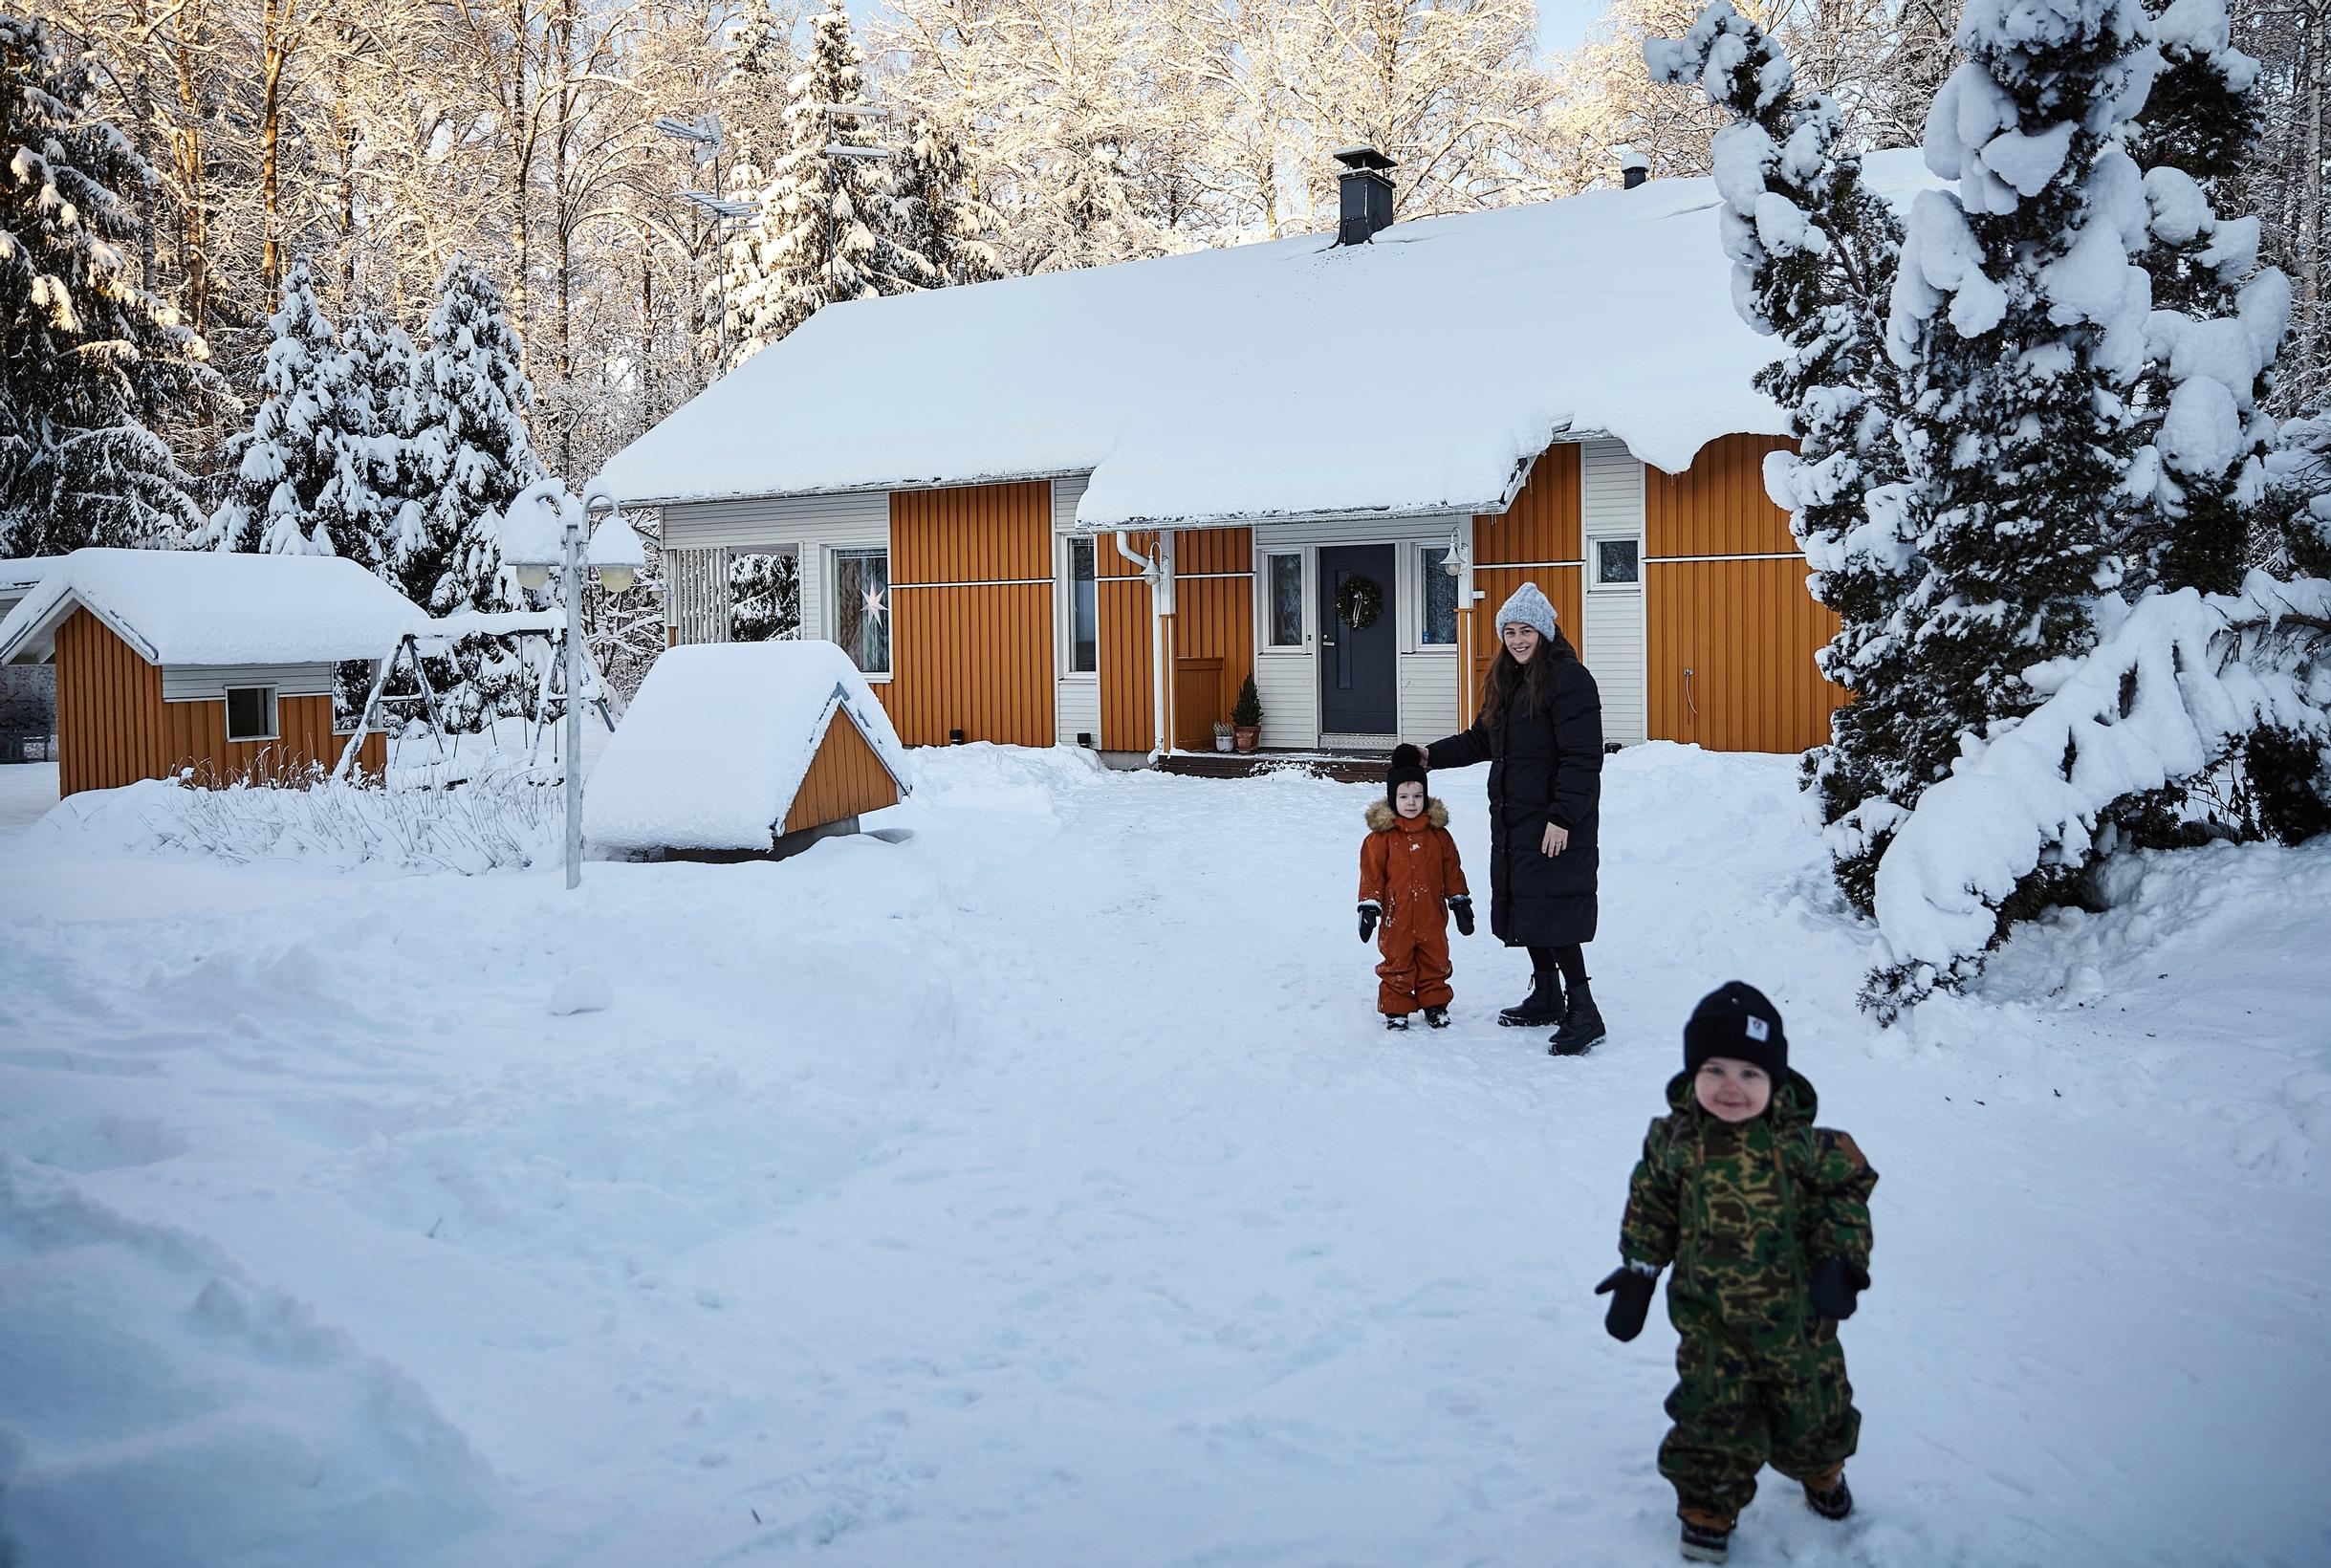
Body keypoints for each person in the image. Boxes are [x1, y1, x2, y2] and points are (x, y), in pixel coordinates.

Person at [1594, 982, 1878, 1564]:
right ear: (1692, 1073)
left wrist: (1842, 1261)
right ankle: (1706, 1507)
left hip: (1799, 1321)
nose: (1731, 1086)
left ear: (1776, 1080)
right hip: (1709, 1320)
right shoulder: (1675, 1143)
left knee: (1813, 1409)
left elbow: (1845, 1196)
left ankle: (1822, 1470)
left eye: (1750, 1073)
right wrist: (1639, 1273)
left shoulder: (1806, 1146)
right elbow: (1650, 1206)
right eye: (1715, 1069)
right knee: (1711, 1416)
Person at [1418, 582, 1605, 1054]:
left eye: (1526, 631)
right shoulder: (1506, 680)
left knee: (1555, 910)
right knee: (1529, 905)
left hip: (1555, 822)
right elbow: (1482, 740)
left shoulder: (1570, 679)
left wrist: (1562, 818)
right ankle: (1547, 994)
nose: (1518, 640)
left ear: (1545, 631)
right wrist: (1427, 756)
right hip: (1515, 818)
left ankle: (1584, 1011)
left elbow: (1582, 759)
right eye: (1510, 631)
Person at [1358, 744, 1472, 1031]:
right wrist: (1369, 908)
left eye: (1418, 796)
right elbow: (1371, 876)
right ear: (1392, 798)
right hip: (1396, 917)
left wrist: (1460, 902)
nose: (1411, 802)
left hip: (1432, 915)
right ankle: (1396, 1008)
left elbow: (1452, 870)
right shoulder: (1380, 839)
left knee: (1436, 960)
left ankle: (1435, 1004)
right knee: (1397, 961)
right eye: (1404, 796)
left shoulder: (1439, 836)